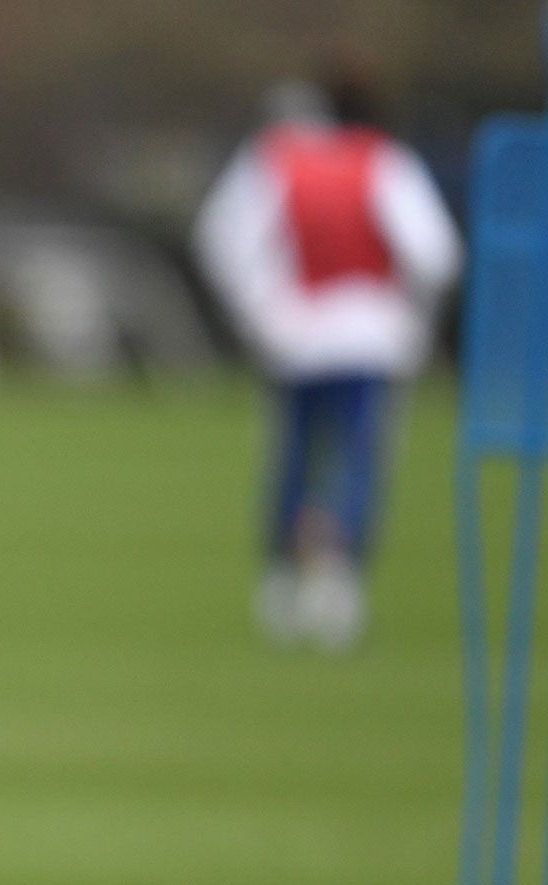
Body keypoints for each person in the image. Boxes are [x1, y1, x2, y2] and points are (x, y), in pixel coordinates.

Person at [194, 69, 462, 650]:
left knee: (294, 453)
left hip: (294, 335)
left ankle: (282, 581)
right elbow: (436, 254)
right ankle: (338, 581)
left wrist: (260, 312)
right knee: (358, 457)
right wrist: (416, 319)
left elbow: (222, 238)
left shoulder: (274, 159)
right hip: (371, 337)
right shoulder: (383, 161)